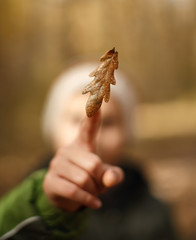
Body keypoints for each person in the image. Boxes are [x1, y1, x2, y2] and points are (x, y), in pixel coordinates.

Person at [0, 62, 177, 240]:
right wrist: (47, 205)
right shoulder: (25, 202)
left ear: (127, 132)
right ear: (53, 129)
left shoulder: (153, 211)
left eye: (108, 122)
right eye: (76, 120)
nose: (95, 137)